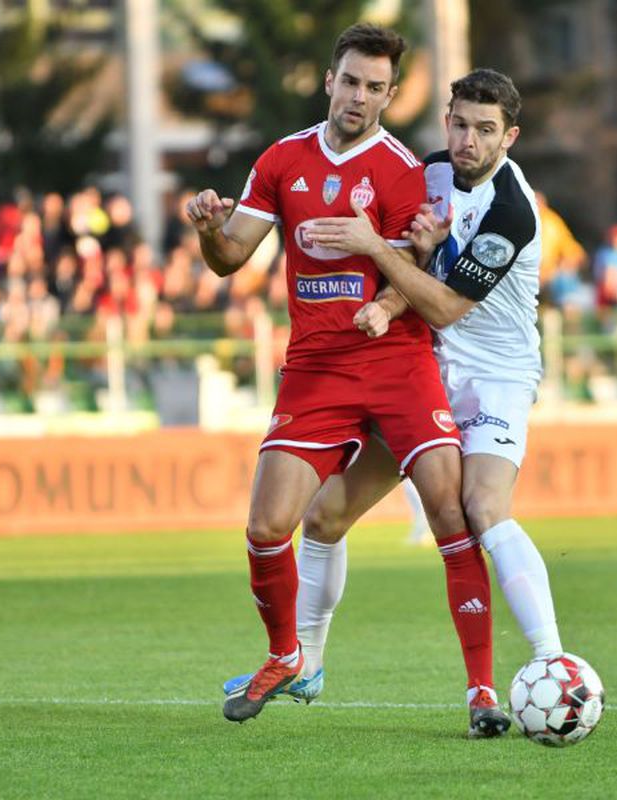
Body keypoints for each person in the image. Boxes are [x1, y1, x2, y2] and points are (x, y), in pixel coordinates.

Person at [188, 25, 508, 736]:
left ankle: (482, 692)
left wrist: (384, 305)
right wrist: (210, 228)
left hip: (398, 366)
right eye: (351, 81)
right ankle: (287, 655)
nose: (359, 96)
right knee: (268, 525)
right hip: (316, 370)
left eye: (374, 87)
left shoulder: (399, 172)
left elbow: (417, 271)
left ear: (390, 96)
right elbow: (230, 257)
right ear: (328, 81)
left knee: (450, 514)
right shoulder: (281, 160)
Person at [229, 68, 569, 714]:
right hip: (426, 367)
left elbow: (442, 307)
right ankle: (307, 663)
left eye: (486, 130)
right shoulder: (429, 173)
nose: (468, 140)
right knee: (325, 516)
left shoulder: (512, 210)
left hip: (494, 377)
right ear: (446, 120)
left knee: (480, 508)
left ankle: (549, 660)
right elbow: (413, 266)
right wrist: (387, 302)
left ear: (511, 137)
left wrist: (372, 249)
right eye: (460, 124)